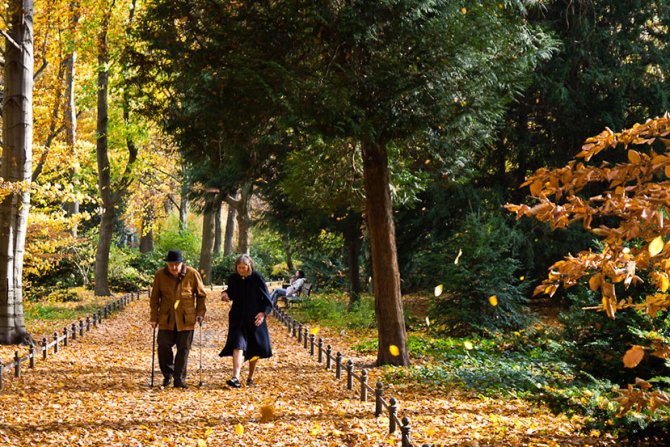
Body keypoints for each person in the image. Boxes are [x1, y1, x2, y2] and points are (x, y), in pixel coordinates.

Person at [150, 249, 207, 388]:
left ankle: (179, 379)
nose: (174, 268)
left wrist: (200, 313)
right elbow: (154, 298)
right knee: (163, 346)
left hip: (186, 319)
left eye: (176, 264)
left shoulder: (192, 274)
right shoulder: (160, 275)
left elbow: (201, 295)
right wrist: (154, 317)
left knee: (184, 349)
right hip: (166, 318)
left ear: (182, 263)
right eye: (171, 265)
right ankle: (168, 375)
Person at [219, 254, 273, 388]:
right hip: (237, 318)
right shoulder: (233, 278)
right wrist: (225, 294)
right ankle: (235, 377)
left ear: (249, 266)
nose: (241, 270)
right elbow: (231, 292)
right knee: (238, 344)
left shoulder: (257, 278)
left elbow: (268, 302)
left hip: (255, 319)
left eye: (244, 267)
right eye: (239, 267)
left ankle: (250, 377)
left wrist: (262, 314)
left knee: (255, 348)